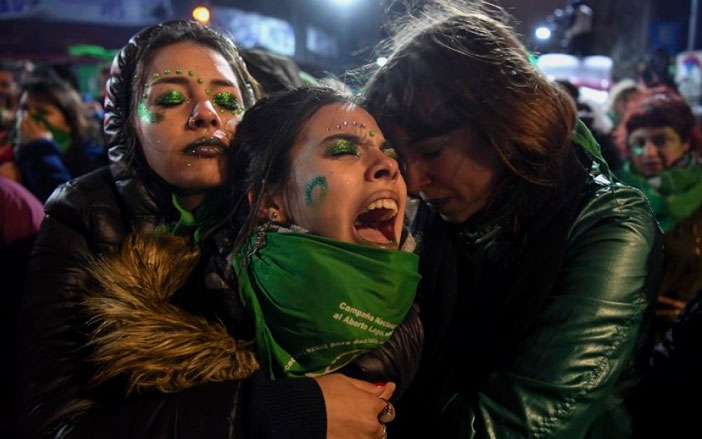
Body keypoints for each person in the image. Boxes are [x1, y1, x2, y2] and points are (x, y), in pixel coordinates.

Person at [17, 21, 395, 439]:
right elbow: (53, 420)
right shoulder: (84, 212)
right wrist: (266, 412)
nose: (206, 114)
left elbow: (387, 327)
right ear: (128, 124)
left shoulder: (289, 195)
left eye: (227, 101)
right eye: (171, 98)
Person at [362, 1, 662, 438]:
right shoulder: (447, 213)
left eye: (432, 151)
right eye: (399, 159)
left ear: (503, 124)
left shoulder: (609, 225)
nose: (413, 181)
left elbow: (522, 427)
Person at [82, 87, 418, 439]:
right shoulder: (179, 322)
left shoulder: (417, 315)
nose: (389, 166)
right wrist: (279, 413)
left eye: (389, 153)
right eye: (343, 150)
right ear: (270, 201)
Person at [615, 87, 702, 337]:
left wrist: (693, 310)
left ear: (685, 144)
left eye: (661, 141)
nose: (649, 153)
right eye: (639, 143)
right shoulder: (613, 195)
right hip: (620, 337)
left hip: (679, 339)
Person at [14, 71, 107, 201]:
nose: (27, 118)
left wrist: (40, 148)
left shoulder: (93, 162)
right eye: (24, 109)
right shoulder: (18, 154)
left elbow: (64, 204)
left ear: (69, 121)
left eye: (42, 112)